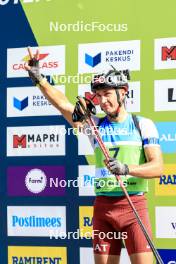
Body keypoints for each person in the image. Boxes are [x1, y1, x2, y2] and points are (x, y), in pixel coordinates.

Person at [25, 48, 163, 264]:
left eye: (107, 94)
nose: (102, 101)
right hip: (103, 209)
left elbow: (157, 168)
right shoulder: (93, 125)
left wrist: (126, 169)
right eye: (98, 96)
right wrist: (39, 79)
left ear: (123, 92)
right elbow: (63, 104)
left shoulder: (142, 124)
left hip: (134, 206)